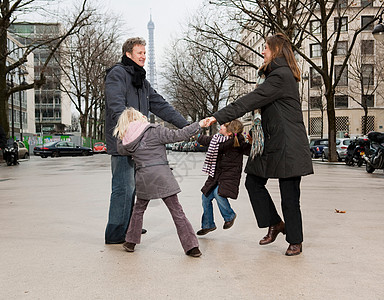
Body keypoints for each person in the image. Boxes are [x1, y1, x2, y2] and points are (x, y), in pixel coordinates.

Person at [206, 33, 313, 256]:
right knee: (253, 181)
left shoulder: (281, 76)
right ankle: (275, 223)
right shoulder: (272, 76)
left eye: (266, 47)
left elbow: (249, 101)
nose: (262, 51)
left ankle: (295, 240)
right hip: (271, 142)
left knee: (289, 195)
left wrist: (218, 116)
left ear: (276, 51)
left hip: (288, 144)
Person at [104, 37, 189, 244]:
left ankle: (130, 227)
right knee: (123, 187)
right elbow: (116, 107)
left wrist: (185, 126)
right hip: (125, 142)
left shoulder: (141, 80)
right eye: (139, 53)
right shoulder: (118, 74)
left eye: (145, 52)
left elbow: (160, 105)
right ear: (128, 54)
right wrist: (130, 130)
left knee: (135, 187)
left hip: (140, 142)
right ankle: (116, 232)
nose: (143, 56)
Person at [114, 107, 209, 257]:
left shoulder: (126, 140)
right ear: (140, 117)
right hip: (162, 176)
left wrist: (123, 132)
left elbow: (120, 150)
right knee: (177, 211)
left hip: (143, 176)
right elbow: (180, 135)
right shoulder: (154, 130)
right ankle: (192, 247)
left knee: (138, 210)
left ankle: (130, 242)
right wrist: (199, 124)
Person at [196, 120, 251, 236]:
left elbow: (251, 151)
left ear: (229, 132)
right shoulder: (217, 139)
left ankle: (229, 216)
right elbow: (204, 140)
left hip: (229, 176)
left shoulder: (238, 143)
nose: (220, 127)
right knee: (205, 197)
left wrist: (253, 142)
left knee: (218, 193)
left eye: (223, 126)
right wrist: (194, 133)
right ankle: (208, 225)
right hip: (215, 175)